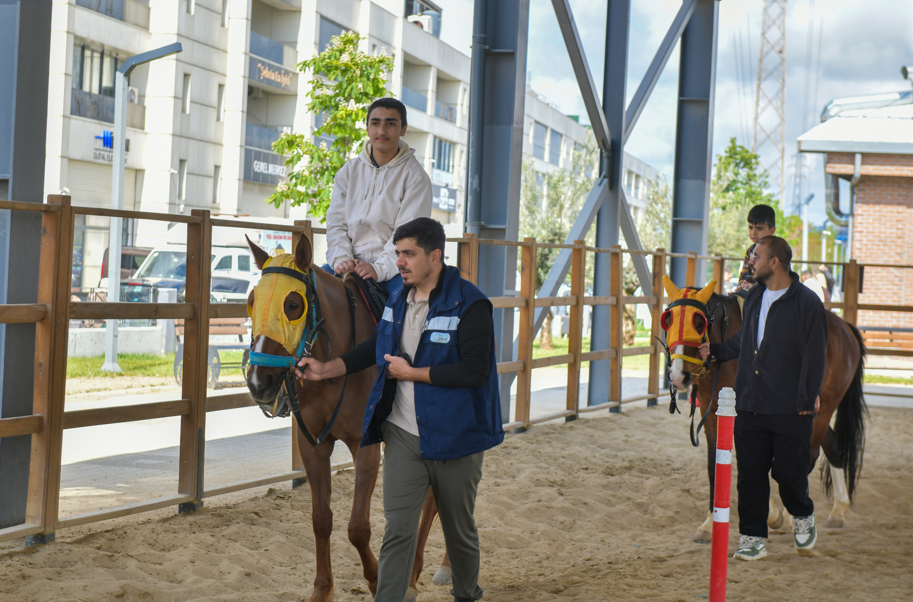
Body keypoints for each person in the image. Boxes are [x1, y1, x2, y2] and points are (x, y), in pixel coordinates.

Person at [297, 217, 503, 602]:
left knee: (459, 532)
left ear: (436, 256)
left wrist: (413, 373)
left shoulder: (472, 305)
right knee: (398, 530)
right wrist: (327, 367)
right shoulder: (397, 299)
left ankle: (466, 595)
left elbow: (474, 372)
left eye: (409, 254)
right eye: (397, 254)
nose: (400, 262)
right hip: (405, 435)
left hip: (455, 436)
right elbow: (372, 349)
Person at [698, 236, 827, 561]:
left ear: (775, 262)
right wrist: (714, 351)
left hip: (790, 409)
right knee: (751, 476)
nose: (750, 261)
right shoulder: (754, 297)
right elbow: (744, 339)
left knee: (788, 475)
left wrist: (807, 397)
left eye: (756, 256)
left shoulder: (807, 303)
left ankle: (803, 514)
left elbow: (815, 354)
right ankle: (752, 538)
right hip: (751, 405)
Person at [323, 97, 432, 295]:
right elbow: (336, 222)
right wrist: (341, 258)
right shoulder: (348, 172)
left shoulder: (415, 177)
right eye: (375, 123)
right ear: (367, 128)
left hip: (396, 267)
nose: (382, 131)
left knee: (403, 311)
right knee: (308, 291)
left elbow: (408, 234)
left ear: (403, 129)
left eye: (391, 123)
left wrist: (380, 269)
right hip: (350, 261)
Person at [736, 204, 777, 294]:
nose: (753, 233)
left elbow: (781, 278)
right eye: (750, 227)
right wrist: (742, 285)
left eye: (759, 228)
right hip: (752, 292)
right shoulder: (750, 251)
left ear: (772, 230)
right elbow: (745, 275)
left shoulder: (778, 251)